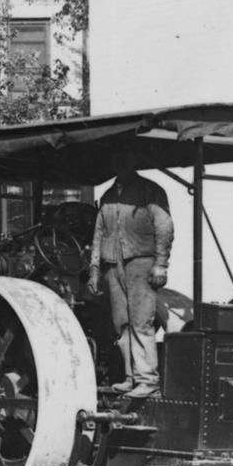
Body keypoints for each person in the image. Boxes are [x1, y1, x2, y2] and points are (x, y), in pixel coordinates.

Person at [88, 149, 174, 398]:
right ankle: (131, 377)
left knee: (141, 321)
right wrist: (94, 270)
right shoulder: (106, 197)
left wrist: (160, 264)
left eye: (125, 157)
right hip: (112, 266)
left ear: (133, 160)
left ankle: (147, 379)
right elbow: (97, 235)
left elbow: (164, 227)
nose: (120, 162)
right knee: (122, 324)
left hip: (141, 264)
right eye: (116, 158)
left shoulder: (150, 190)